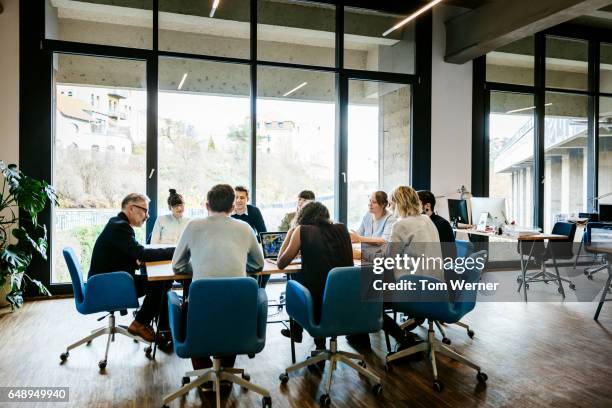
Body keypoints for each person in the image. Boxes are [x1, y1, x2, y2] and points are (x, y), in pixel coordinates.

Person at [172, 184, 264, 374]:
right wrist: (237, 264)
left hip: (201, 306)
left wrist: (196, 265)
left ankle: (204, 373)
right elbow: (258, 265)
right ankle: (226, 373)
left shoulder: (193, 226)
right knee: (233, 311)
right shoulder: (245, 228)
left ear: (207, 205)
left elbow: (177, 266)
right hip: (238, 309)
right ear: (232, 207)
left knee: (188, 306)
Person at [89, 193, 174, 347]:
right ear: (131, 208)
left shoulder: (118, 223)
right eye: (145, 211)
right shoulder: (120, 227)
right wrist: (175, 250)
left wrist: (137, 261)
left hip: (109, 280)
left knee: (161, 281)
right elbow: (141, 253)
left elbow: (130, 255)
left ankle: (148, 323)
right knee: (162, 282)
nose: (147, 216)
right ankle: (141, 323)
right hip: (107, 285)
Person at [276, 201, 353, 352]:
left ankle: (309, 339)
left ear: (303, 216)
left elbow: (281, 263)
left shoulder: (302, 230)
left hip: (315, 300)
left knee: (298, 281)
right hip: (345, 297)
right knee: (316, 282)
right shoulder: (342, 228)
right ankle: (316, 344)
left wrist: (292, 231)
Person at [383, 186, 443, 352]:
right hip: (436, 286)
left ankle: (401, 337)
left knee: (371, 299)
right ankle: (407, 328)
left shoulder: (400, 225)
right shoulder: (427, 220)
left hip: (415, 288)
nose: (389, 208)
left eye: (391, 203)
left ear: (398, 204)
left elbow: (389, 258)